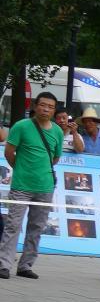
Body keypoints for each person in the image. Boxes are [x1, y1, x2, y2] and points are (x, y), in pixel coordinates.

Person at [0, 92, 63, 280]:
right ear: (35, 106)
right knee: (13, 225)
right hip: (21, 185)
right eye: (43, 105)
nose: (46, 109)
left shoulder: (58, 132)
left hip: (45, 187)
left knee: (37, 227)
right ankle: (4, 265)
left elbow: (55, 158)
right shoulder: (21, 126)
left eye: (50, 107)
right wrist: (21, 169)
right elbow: (9, 152)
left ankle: (26, 265)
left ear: (54, 110)